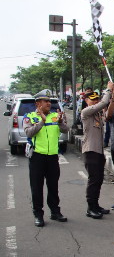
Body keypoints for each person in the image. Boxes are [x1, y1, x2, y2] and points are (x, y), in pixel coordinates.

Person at [24, 91, 69, 227]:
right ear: (38, 104)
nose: (49, 103)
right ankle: (38, 214)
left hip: (53, 157)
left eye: (49, 101)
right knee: (37, 187)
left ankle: (55, 211)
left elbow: (66, 130)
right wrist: (42, 121)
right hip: (37, 157)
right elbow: (28, 132)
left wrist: (61, 122)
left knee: (53, 186)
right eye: (45, 101)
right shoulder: (30, 117)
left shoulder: (56, 116)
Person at [81, 82, 114, 219]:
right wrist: (108, 89)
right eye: (92, 99)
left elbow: (108, 114)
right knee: (94, 180)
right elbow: (102, 103)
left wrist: (112, 99)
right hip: (91, 151)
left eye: (96, 99)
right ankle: (90, 208)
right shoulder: (86, 112)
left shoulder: (98, 115)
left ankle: (96, 205)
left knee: (99, 180)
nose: (95, 101)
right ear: (86, 101)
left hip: (99, 152)